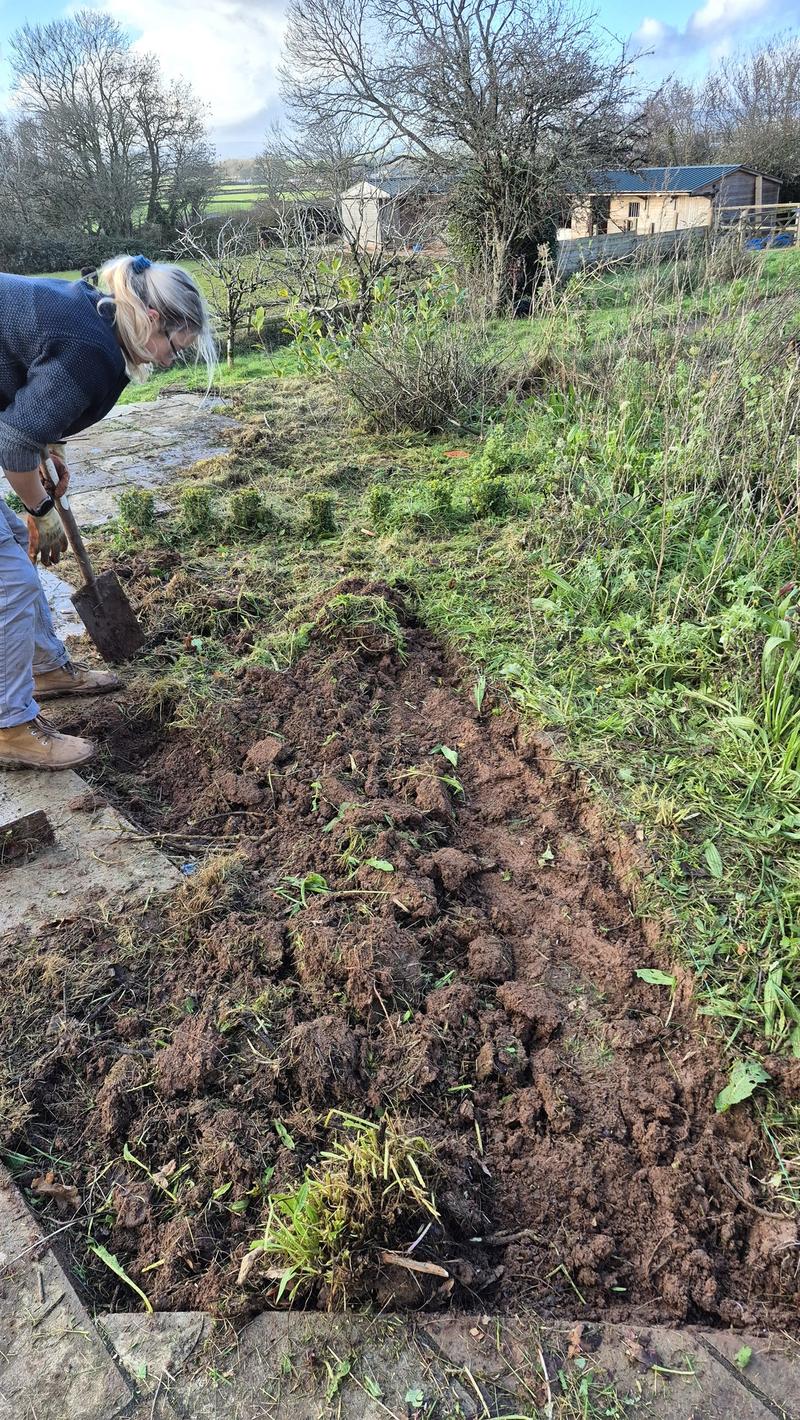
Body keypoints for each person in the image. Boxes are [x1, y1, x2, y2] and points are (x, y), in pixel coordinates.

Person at [0, 255, 216, 770]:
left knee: (9, 542)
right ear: (154, 319)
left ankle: (46, 670)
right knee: (10, 582)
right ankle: (9, 728)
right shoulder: (91, 348)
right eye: (173, 348)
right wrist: (41, 507)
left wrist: (51, 446)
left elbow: (30, 382)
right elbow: (12, 443)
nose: (166, 361)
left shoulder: (91, 310)